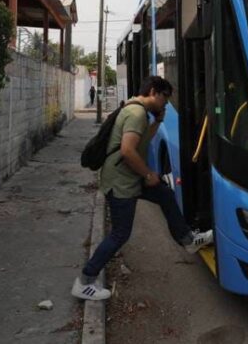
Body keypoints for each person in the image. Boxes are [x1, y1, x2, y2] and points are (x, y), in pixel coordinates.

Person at [71, 76, 213, 301]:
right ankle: (85, 281)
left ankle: (188, 241)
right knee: (120, 234)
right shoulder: (136, 114)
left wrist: (157, 122)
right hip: (122, 182)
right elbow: (128, 151)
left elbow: (141, 141)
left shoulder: (135, 108)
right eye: (165, 98)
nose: (166, 103)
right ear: (154, 92)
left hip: (128, 178)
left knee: (165, 195)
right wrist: (148, 174)